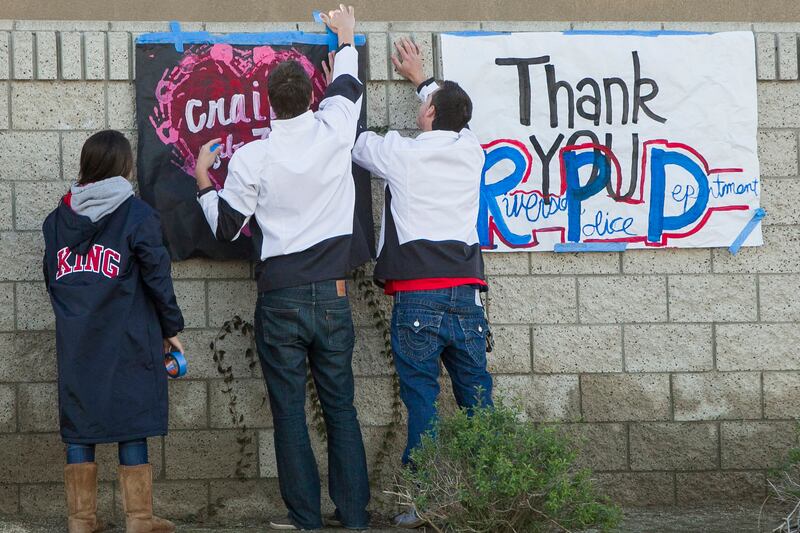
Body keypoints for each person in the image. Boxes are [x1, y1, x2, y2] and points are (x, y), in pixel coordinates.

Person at [194, 5, 370, 530]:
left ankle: (305, 518)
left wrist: (205, 177)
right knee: (341, 409)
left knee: (290, 412)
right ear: (309, 97)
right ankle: (356, 517)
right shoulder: (337, 127)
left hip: (281, 298)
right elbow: (347, 80)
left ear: (268, 104)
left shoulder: (253, 157)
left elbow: (226, 227)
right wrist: (346, 35)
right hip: (333, 295)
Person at [350, 38, 494, 529]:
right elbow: (462, 123)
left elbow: (352, 140)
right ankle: (491, 494)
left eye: (425, 104)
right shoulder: (473, 151)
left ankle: (425, 502)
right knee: (477, 400)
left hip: (417, 297)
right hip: (469, 295)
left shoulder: (400, 155)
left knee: (422, 402)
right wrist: (423, 82)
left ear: (429, 113)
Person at [42, 130, 185, 533]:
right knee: (132, 417)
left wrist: (76, 317)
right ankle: (139, 519)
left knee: (80, 420)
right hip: (129, 335)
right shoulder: (138, 215)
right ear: (123, 167)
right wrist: (171, 327)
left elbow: (52, 279)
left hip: (78, 341)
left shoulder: (56, 221)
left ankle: (81, 520)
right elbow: (158, 276)